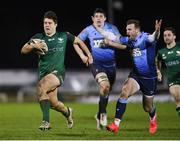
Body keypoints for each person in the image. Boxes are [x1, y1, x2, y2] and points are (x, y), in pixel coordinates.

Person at [21, 11, 93, 131]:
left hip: (58, 72)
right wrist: (34, 46)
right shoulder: (39, 38)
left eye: (49, 23)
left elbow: (79, 41)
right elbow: (23, 50)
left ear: (55, 24)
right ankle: (67, 112)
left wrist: (88, 55)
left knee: (41, 86)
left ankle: (46, 122)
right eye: (45, 23)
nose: (47, 25)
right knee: (54, 104)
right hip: (44, 73)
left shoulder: (63, 36)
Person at [94, 19, 162, 134]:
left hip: (149, 78)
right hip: (136, 75)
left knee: (147, 108)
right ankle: (115, 125)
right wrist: (98, 28)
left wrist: (157, 31)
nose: (127, 31)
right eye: (126, 29)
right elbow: (112, 36)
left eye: (129, 29)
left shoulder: (145, 38)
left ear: (136, 30)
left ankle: (153, 117)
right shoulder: (130, 41)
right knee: (124, 91)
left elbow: (154, 37)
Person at [74, 8, 121, 130]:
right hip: (96, 64)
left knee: (106, 91)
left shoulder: (112, 28)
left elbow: (122, 44)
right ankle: (103, 113)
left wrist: (110, 43)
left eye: (101, 16)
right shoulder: (88, 30)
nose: (98, 18)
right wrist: (83, 56)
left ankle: (99, 114)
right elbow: (75, 42)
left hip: (111, 66)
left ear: (105, 18)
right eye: (96, 16)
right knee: (104, 86)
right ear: (93, 18)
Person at [156, 27, 180, 116]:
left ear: (174, 37)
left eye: (169, 35)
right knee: (178, 97)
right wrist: (158, 72)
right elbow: (157, 61)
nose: (166, 37)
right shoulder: (161, 52)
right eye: (165, 35)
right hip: (173, 79)